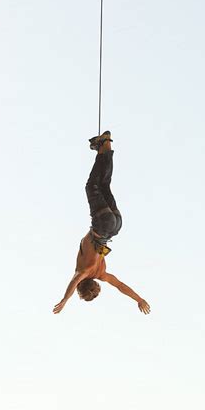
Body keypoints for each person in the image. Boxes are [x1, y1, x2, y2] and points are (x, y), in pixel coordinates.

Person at [53, 131, 151, 315]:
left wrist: (139, 299)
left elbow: (120, 286)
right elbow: (73, 282)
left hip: (115, 226)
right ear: (82, 285)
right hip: (102, 224)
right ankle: (103, 145)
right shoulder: (84, 271)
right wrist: (65, 300)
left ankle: (104, 147)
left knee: (104, 185)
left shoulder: (102, 274)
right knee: (91, 186)